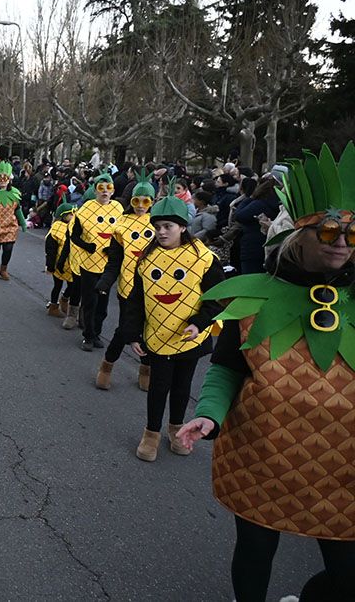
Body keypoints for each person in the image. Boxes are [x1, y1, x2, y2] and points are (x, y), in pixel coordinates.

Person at [178, 143, 355, 602]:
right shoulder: (255, 298)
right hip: (263, 455)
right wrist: (210, 415)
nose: (341, 243)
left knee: (347, 575)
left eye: (352, 235)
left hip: (344, 466)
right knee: (255, 553)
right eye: (331, 230)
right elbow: (226, 369)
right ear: (300, 234)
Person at [117, 196, 223, 461]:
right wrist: (133, 333)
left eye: (168, 227)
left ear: (183, 227)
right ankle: (151, 433)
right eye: (158, 226)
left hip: (189, 337)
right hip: (157, 336)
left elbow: (218, 296)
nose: (162, 232)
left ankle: (177, 429)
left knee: (181, 387)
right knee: (158, 387)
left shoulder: (204, 258)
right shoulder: (147, 258)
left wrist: (199, 323)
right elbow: (136, 299)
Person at [94, 170, 156, 390]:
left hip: (154, 289)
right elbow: (114, 261)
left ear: (152, 201)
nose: (140, 205)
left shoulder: (160, 226)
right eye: (136, 201)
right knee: (125, 330)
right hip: (128, 288)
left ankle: (146, 370)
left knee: (149, 332)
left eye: (145, 201)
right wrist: (104, 282)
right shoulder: (121, 225)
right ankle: (107, 366)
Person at [70, 170, 124, 351]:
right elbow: (74, 236)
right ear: (95, 190)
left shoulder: (118, 209)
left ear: (113, 190)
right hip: (88, 264)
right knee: (90, 301)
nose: (105, 191)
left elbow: (122, 235)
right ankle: (88, 335)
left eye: (108, 188)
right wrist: (86, 246)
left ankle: (96, 333)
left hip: (108, 266)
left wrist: (114, 250)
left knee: (103, 303)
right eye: (101, 188)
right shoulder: (85, 209)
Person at [44, 203, 79, 319]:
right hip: (59, 264)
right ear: (63, 216)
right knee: (57, 286)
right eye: (70, 214)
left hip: (73, 264)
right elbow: (51, 250)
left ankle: (65, 299)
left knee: (73, 286)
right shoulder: (56, 228)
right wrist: (50, 266)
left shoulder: (76, 226)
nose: (73, 215)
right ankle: (53, 307)